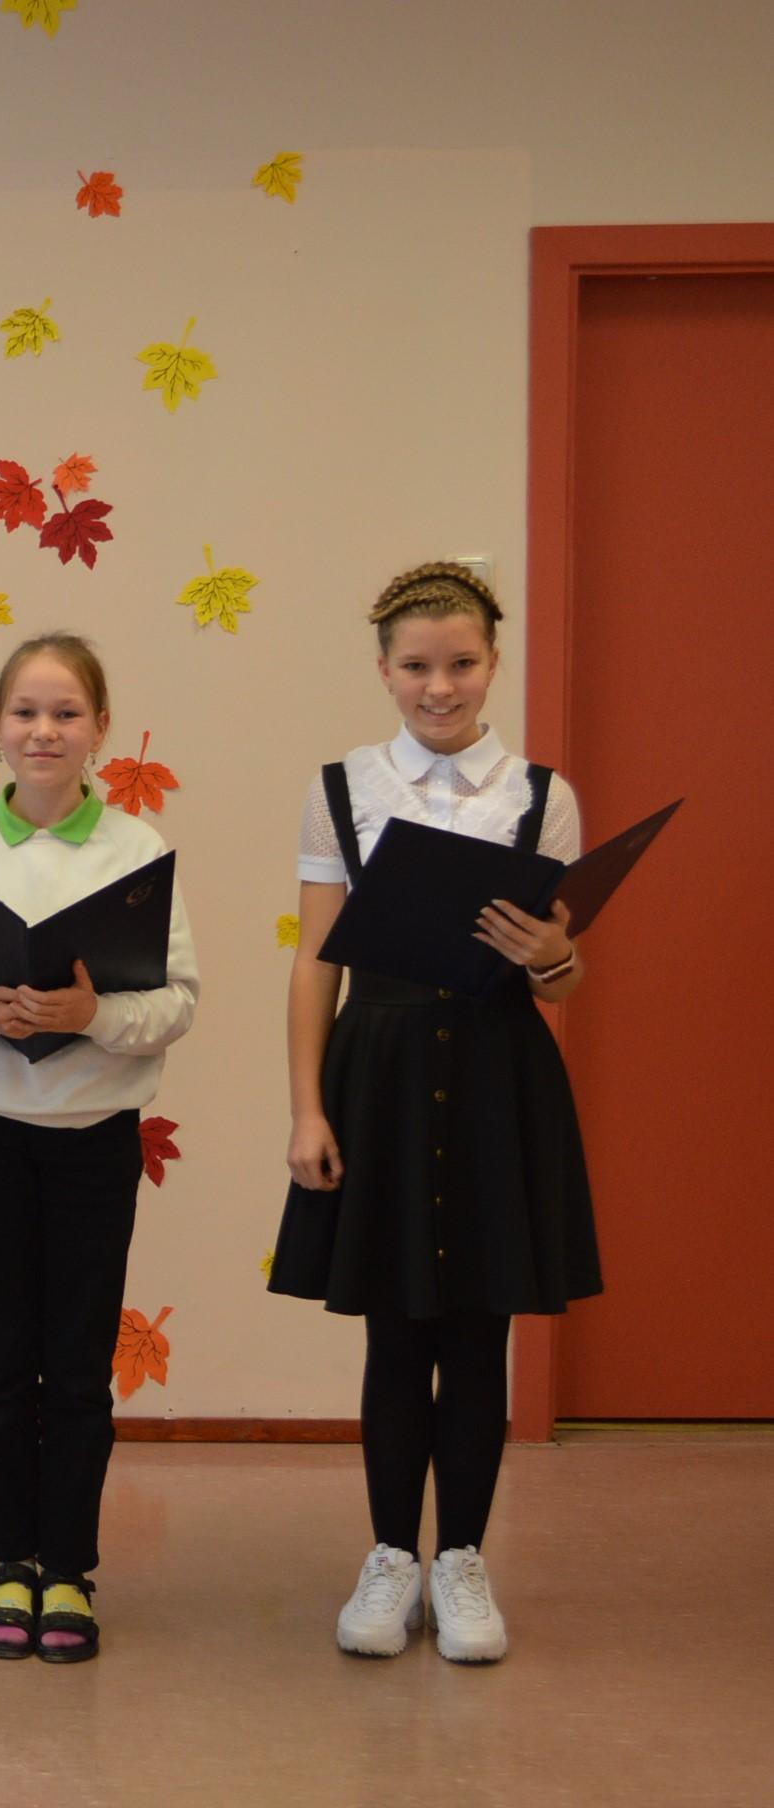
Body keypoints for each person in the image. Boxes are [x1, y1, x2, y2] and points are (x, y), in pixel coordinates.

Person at [274, 561, 598, 1665]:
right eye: (416, 666)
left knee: (477, 1331)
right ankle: (389, 1557)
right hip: (380, 1073)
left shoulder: (543, 796)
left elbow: (562, 982)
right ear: (384, 670)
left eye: (462, 663)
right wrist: (307, 1109)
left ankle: (460, 1557)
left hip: (501, 1074)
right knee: (394, 1328)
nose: (440, 686)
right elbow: (316, 962)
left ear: (493, 663)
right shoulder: (342, 787)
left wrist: (554, 956)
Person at [0, 632, 198, 1665]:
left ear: (100, 728)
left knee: (75, 1366)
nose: (44, 730)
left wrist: (91, 1012)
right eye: (25, 711)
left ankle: (68, 1567)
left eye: (66, 712)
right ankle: (9, 1561)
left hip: (92, 1142)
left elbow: (179, 1002)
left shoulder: (139, 851)